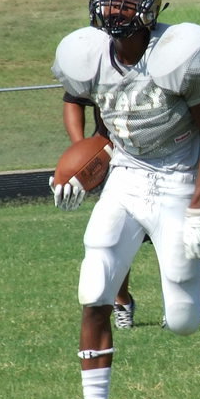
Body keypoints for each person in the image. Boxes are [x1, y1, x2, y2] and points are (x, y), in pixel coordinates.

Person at [49, 0, 200, 399]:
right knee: (94, 289)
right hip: (126, 177)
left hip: (179, 177)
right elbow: (74, 96)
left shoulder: (179, 53)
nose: (116, 7)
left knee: (182, 321)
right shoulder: (86, 53)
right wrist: (86, 153)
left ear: (152, 6)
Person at [61, 99, 139, 330]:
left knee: (172, 237)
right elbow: (73, 99)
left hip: (166, 158)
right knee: (113, 238)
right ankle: (122, 301)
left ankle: (177, 307)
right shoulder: (102, 63)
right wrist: (83, 154)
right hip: (118, 158)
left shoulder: (161, 64)